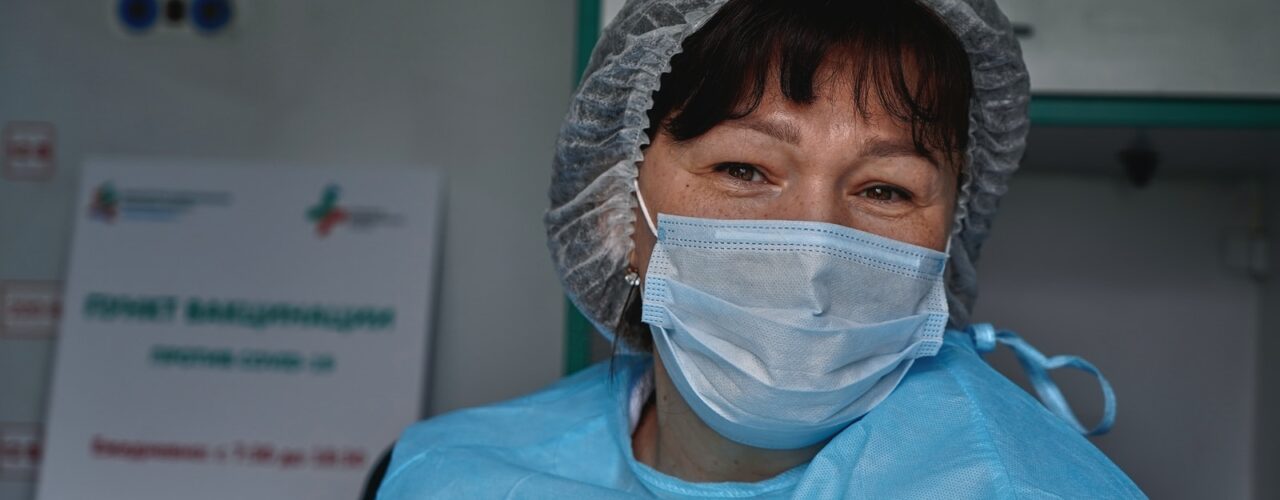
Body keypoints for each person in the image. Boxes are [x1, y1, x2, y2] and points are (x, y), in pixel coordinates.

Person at [377, 0, 1145, 497]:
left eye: (885, 189)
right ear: (617, 211)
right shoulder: (443, 475)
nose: (815, 243)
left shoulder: (1016, 487)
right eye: (743, 169)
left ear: (949, 227)